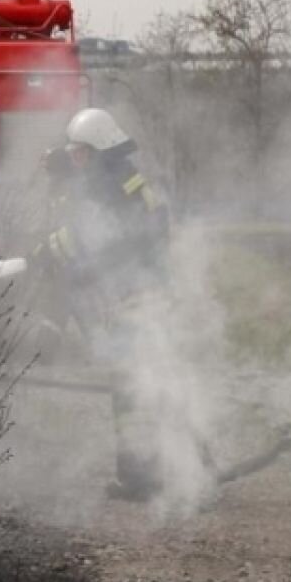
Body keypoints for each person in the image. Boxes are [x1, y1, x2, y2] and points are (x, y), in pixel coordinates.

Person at [37, 107, 177, 498]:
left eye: (81, 153)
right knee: (138, 385)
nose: (76, 160)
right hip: (138, 295)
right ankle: (157, 470)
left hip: (139, 298)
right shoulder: (118, 177)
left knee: (134, 387)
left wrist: (53, 254)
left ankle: (145, 478)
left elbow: (100, 240)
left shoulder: (112, 185)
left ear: (98, 150)